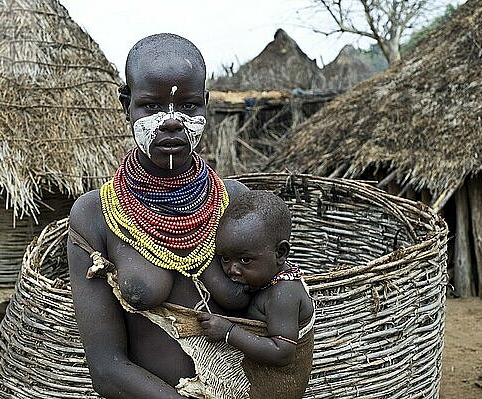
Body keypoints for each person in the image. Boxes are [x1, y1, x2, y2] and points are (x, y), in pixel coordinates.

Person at [67, 33, 250, 398]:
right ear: (127, 105)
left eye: (188, 106)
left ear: (206, 105)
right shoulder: (95, 216)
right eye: (151, 106)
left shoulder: (236, 202)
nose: (171, 121)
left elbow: (276, 317)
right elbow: (106, 368)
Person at [197, 190, 315, 398]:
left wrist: (228, 332)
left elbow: (282, 353)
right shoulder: (265, 280)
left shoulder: (284, 293)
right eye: (224, 258)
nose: (232, 269)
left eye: (244, 260)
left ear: (280, 253)